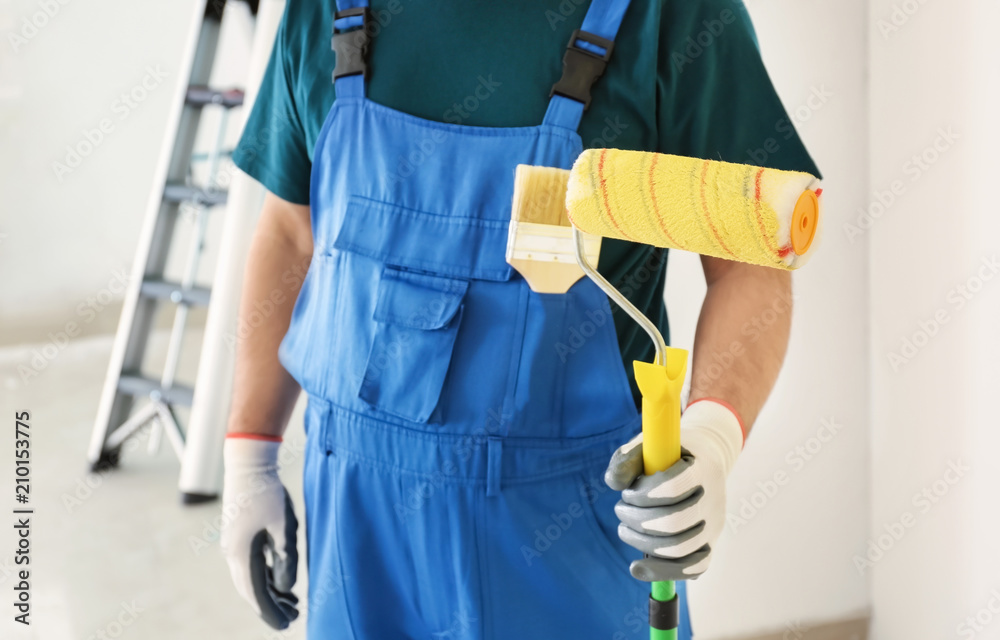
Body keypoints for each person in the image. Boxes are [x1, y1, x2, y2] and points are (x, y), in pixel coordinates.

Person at [220, 0, 821, 638]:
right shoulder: (324, 9)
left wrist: (712, 435)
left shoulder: (670, 15)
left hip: (568, 528)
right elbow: (291, 230)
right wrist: (248, 455)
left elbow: (752, 267)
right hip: (357, 520)